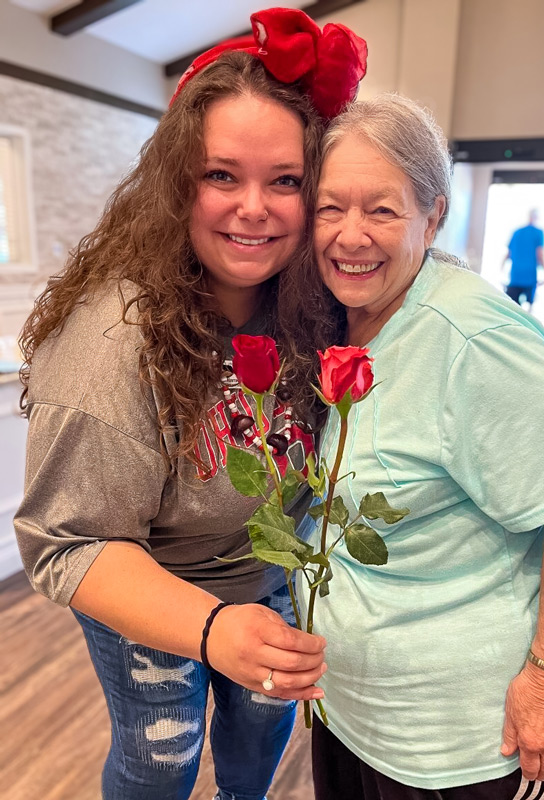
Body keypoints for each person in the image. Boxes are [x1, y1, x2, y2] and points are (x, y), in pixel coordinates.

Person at [13, 9, 366, 800]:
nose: (255, 208)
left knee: (260, 735)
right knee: (160, 760)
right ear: (177, 184)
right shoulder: (111, 344)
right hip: (152, 580)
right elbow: (65, 546)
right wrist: (209, 629)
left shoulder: (317, 303)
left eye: (286, 181)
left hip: (266, 574)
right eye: (221, 176)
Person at [297, 94, 544, 800]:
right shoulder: (340, 319)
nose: (350, 235)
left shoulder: (474, 339)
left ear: (432, 216)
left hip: (462, 739)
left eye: (382, 209)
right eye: (330, 208)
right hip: (355, 714)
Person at [503, 210, 544, 307]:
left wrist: (501, 270)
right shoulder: (539, 233)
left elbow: (508, 254)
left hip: (515, 275)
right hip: (529, 276)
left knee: (512, 307)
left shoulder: (517, 232)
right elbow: (540, 254)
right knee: (529, 308)